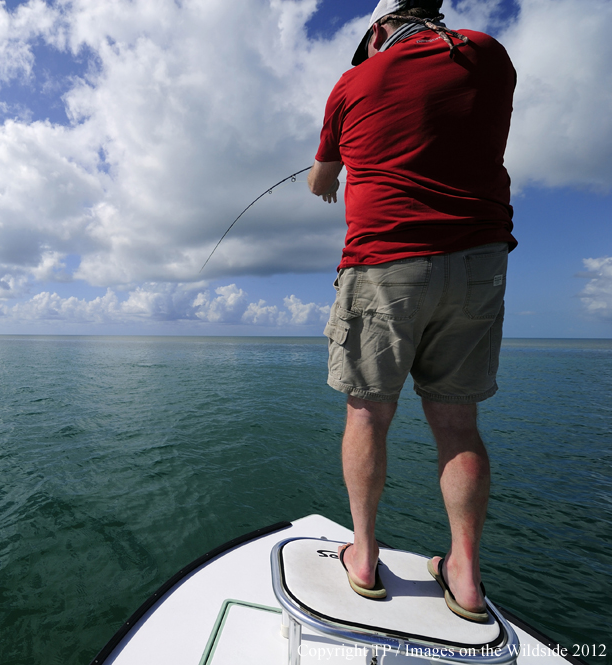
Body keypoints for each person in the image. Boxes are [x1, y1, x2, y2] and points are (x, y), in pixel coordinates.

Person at [307, 0, 517, 622]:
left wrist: (331, 173)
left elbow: (321, 182)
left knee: (368, 412)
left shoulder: (353, 82)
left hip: (384, 262)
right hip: (478, 262)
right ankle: (466, 577)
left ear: (377, 30)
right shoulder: (489, 57)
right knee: (458, 423)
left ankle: (365, 557)